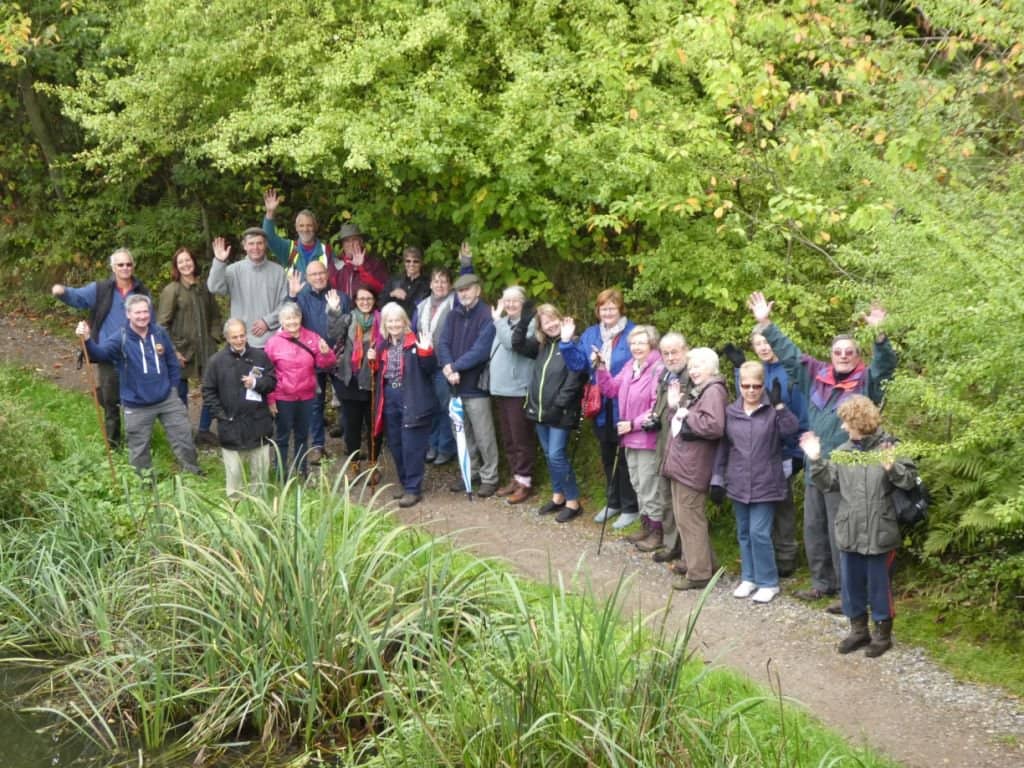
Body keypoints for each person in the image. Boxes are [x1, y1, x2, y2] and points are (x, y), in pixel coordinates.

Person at [748, 291, 896, 609]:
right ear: (830, 355)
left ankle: (849, 593)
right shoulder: (816, 375)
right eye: (838, 351)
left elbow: (886, 367)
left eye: (849, 352)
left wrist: (879, 335)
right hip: (816, 465)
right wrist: (766, 323)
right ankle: (822, 583)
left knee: (840, 532)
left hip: (848, 470)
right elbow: (788, 354)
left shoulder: (866, 379)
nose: (843, 356)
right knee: (813, 528)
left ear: (857, 355)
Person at [801, 396, 918, 657]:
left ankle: (882, 633)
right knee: (851, 584)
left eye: (845, 422)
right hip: (849, 529)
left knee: (879, 586)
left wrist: (892, 468)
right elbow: (829, 483)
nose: (842, 427)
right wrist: (817, 459)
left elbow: (910, 481)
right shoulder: (843, 452)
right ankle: (858, 631)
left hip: (880, 530)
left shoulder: (889, 448)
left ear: (858, 422)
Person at [75, 294, 200, 476]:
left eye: (145, 311)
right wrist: (86, 339)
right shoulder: (121, 338)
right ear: (128, 314)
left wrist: (172, 388)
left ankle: (193, 472)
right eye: (137, 313)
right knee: (139, 448)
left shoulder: (159, 333)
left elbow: (172, 362)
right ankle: (145, 482)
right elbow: (99, 354)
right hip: (137, 404)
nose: (142, 316)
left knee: (184, 437)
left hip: (167, 399)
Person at [721, 332, 810, 577]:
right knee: (761, 510)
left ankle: (785, 556)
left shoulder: (791, 371)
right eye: (758, 344)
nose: (763, 347)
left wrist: (797, 450)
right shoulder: (760, 371)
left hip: (787, 447)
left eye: (767, 342)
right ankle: (762, 560)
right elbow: (748, 398)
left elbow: (799, 413)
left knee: (781, 505)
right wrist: (739, 368)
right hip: (759, 447)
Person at [712, 361, 800, 604]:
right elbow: (723, 448)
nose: (751, 390)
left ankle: (768, 581)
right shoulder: (731, 412)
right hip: (738, 481)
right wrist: (717, 479)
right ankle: (749, 577)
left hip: (766, 481)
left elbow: (791, 430)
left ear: (763, 386)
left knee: (759, 532)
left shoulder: (772, 412)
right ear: (739, 385)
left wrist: (779, 405)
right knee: (743, 532)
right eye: (745, 385)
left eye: (756, 386)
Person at [52, 247, 149, 449]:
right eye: (120, 264)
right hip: (108, 354)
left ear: (133, 266)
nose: (125, 268)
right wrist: (62, 292)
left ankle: (138, 443)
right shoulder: (102, 289)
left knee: (138, 401)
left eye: (128, 264)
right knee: (111, 403)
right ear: (113, 267)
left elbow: (151, 320)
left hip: (135, 355)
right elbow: (78, 297)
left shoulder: (141, 291)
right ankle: (114, 446)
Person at [562, 288, 638, 529]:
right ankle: (613, 501)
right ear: (598, 310)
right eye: (603, 308)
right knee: (607, 455)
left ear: (620, 309)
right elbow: (579, 365)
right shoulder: (591, 334)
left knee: (625, 458)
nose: (607, 311)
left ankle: (631, 507)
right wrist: (566, 342)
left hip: (624, 403)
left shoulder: (632, 332)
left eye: (612, 307)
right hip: (599, 405)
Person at [513, 304, 587, 522]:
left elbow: (575, 378)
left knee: (556, 454)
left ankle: (573, 501)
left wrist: (559, 405)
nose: (551, 324)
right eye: (546, 322)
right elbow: (517, 344)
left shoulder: (573, 343)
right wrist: (525, 320)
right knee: (548, 454)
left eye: (554, 319)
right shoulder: (541, 345)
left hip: (561, 411)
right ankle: (558, 496)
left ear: (561, 319)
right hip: (539, 410)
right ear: (541, 327)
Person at [595, 325, 666, 551]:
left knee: (648, 486)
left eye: (641, 343)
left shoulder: (658, 368)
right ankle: (647, 526)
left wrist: (633, 424)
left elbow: (657, 406)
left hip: (647, 438)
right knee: (637, 483)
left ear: (652, 345)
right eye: (633, 343)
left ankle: (658, 533)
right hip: (628, 438)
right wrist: (601, 368)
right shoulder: (630, 366)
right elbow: (611, 389)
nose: (636, 347)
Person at [662, 347, 728, 590]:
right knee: (684, 517)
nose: (694, 371)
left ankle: (699, 574)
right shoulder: (700, 391)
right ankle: (701, 562)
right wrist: (674, 408)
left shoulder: (714, 391)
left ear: (712, 368)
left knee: (691, 518)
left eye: (699, 366)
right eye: (691, 367)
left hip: (694, 465)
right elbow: (681, 421)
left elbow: (714, 426)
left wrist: (684, 413)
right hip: (683, 463)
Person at [368, 303, 436, 508]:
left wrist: (427, 353)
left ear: (405, 321)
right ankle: (406, 483)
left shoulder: (417, 342)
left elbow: (430, 369)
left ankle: (413, 489)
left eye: (398, 320)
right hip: (389, 397)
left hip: (412, 397)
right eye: (390, 321)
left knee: (411, 445)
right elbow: (377, 374)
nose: (394, 324)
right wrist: (372, 361)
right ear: (385, 324)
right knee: (396, 444)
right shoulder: (382, 346)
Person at [437, 273, 499, 497]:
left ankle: (490, 478)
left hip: (476, 386)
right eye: (460, 290)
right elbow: (442, 342)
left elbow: (481, 350)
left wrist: (455, 368)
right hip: (454, 387)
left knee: (484, 435)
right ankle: (470, 473)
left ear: (478, 291)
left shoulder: (486, 315)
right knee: (462, 434)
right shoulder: (453, 315)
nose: (463, 293)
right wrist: (446, 365)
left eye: (468, 289)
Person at [202, 319, 277, 497]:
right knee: (234, 474)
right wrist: (221, 415)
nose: (239, 340)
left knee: (260, 474)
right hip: (231, 425)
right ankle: (235, 510)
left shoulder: (260, 356)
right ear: (227, 338)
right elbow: (208, 391)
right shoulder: (216, 361)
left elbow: (272, 382)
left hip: (258, 424)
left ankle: (259, 508)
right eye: (234, 337)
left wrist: (256, 383)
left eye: (242, 335)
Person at [157, 246, 222, 447]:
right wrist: (173, 351)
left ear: (194, 262)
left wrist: (215, 337)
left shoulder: (205, 288)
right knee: (180, 393)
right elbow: (161, 325)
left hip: (206, 349)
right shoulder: (172, 290)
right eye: (181, 262)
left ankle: (203, 431)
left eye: (188, 260)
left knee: (213, 388)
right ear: (176, 266)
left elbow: (215, 316)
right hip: (182, 350)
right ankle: (183, 433)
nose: (186, 264)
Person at [287, 262, 351, 464]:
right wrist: (292, 296)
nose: (318, 277)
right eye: (313, 274)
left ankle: (351, 444)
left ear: (327, 274)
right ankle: (317, 446)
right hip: (311, 358)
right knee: (315, 404)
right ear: (307, 277)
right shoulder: (301, 297)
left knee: (347, 399)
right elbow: (288, 320)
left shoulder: (341, 297)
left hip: (339, 356)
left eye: (321, 273)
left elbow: (348, 327)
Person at [263, 303, 337, 478]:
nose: (292, 321)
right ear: (281, 321)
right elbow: (267, 374)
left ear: (300, 318)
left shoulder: (312, 337)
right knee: (282, 437)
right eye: (288, 318)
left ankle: (301, 472)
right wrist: (271, 399)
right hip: (283, 397)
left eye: (295, 317)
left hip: (306, 396)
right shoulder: (273, 343)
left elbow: (326, 365)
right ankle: (280, 473)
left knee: (302, 436)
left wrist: (326, 354)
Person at [489, 287, 538, 504]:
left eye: (514, 301)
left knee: (521, 438)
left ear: (523, 302)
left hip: (518, 389)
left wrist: (497, 320)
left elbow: (512, 344)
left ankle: (525, 481)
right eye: (506, 301)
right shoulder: (505, 323)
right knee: (508, 438)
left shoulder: (530, 323)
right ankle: (515, 477)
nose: (510, 305)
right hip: (501, 388)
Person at [648, 332, 691, 570]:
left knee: (683, 504)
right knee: (666, 498)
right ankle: (671, 545)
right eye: (666, 353)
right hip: (663, 444)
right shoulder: (665, 375)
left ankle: (688, 553)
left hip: (684, 450)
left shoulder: (692, 375)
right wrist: (654, 417)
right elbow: (661, 406)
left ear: (686, 350)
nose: (671, 357)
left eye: (675, 351)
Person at [207, 229, 288, 349]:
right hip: (241, 342)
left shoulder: (278, 271)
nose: (255, 247)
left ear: (265, 245)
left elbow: (286, 303)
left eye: (259, 243)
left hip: (272, 343)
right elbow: (214, 287)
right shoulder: (233, 270)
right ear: (244, 246)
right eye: (251, 243)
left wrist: (268, 321)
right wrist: (219, 262)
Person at [335, 286, 383, 476]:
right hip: (350, 380)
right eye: (361, 298)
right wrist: (333, 311)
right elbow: (333, 331)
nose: (365, 302)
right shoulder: (348, 318)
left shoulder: (382, 320)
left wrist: (377, 354)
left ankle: (373, 464)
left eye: (368, 298)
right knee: (352, 426)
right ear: (355, 300)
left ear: (374, 299)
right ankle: (354, 464)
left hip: (372, 380)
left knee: (374, 426)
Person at [415, 266, 458, 465]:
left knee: (445, 406)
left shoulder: (455, 304)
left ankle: (446, 448)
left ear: (449, 285)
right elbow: (413, 331)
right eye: (436, 281)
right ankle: (432, 445)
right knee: (429, 406)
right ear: (430, 284)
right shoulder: (421, 306)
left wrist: (466, 264)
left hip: (445, 365)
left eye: (444, 281)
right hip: (425, 363)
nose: (440, 285)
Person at [262, 188, 333, 278]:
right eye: (301, 225)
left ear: (315, 227)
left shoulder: (326, 251)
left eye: (309, 225)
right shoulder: (288, 248)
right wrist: (270, 212)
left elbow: (335, 279)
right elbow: (268, 237)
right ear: (296, 228)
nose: (305, 229)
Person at [329, 223, 389, 300]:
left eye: (354, 239)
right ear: (342, 245)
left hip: (368, 309)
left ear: (361, 242)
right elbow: (331, 292)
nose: (351, 244)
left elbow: (384, 290)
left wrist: (361, 268)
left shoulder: (375, 263)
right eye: (347, 241)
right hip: (343, 310)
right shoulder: (336, 266)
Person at [382, 246, 431, 318]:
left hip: (416, 325)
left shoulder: (428, 283)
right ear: (404, 262)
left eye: (416, 261)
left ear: (421, 263)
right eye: (408, 261)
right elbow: (381, 303)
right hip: (395, 323)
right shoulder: (394, 280)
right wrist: (392, 294)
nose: (411, 264)